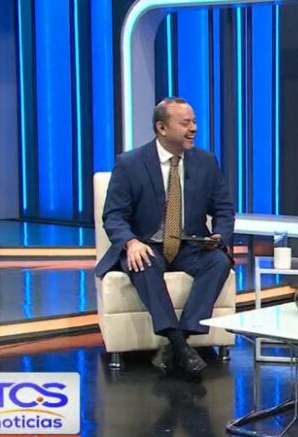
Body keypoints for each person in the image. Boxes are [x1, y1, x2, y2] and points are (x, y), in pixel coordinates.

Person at [95, 97, 235, 376]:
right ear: (162, 127)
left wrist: (220, 235)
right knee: (142, 262)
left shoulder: (206, 162)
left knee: (219, 261)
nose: (193, 129)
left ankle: (177, 342)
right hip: (148, 244)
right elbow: (113, 215)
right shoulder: (130, 163)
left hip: (190, 244)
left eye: (194, 122)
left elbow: (223, 209)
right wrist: (131, 242)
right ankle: (178, 343)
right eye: (185, 123)